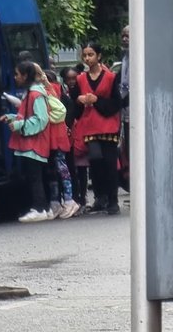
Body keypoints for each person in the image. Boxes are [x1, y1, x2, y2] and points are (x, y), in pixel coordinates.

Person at [70, 43, 121, 215]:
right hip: (90, 126)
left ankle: (113, 200)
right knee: (96, 161)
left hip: (108, 124)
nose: (87, 58)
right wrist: (79, 100)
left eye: (90, 54)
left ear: (98, 56)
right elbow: (74, 103)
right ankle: (101, 196)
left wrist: (96, 100)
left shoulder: (111, 77)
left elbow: (116, 103)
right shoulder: (80, 79)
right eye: (85, 55)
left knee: (110, 163)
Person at [0, 61, 52, 223]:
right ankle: (43, 207)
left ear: (25, 75)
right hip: (32, 143)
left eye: (17, 74)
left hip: (34, 143)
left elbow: (41, 119)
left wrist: (19, 125)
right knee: (36, 176)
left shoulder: (35, 95)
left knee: (34, 177)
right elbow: (28, 116)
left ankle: (39, 208)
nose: (15, 77)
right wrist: (12, 118)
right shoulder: (30, 94)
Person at [38, 66, 80, 219]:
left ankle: (67, 200)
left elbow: (60, 112)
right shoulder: (56, 92)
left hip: (54, 135)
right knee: (56, 169)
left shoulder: (49, 93)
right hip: (56, 135)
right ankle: (59, 201)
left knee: (59, 169)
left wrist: (44, 119)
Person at [60, 66, 89, 211]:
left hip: (81, 133)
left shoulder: (82, 93)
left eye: (74, 78)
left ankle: (82, 198)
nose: (72, 81)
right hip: (71, 135)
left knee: (82, 168)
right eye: (68, 79)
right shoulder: (64, 95)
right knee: (72, 168)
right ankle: (76, 197)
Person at [118, 25, 130, 192]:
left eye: (128, 35)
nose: (125, 39)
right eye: (123, 35)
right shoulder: (125, 57)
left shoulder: (141, 56)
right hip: (126, 112)